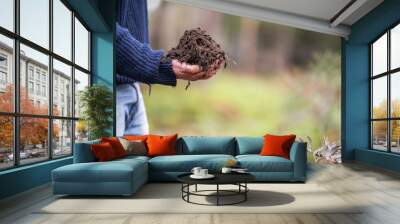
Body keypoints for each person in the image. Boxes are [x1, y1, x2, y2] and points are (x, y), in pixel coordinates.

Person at [116, 0, 220, 136]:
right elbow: (104, 28)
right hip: (105, 86)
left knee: (140, 156)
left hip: (133, 88)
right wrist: (160, 65)